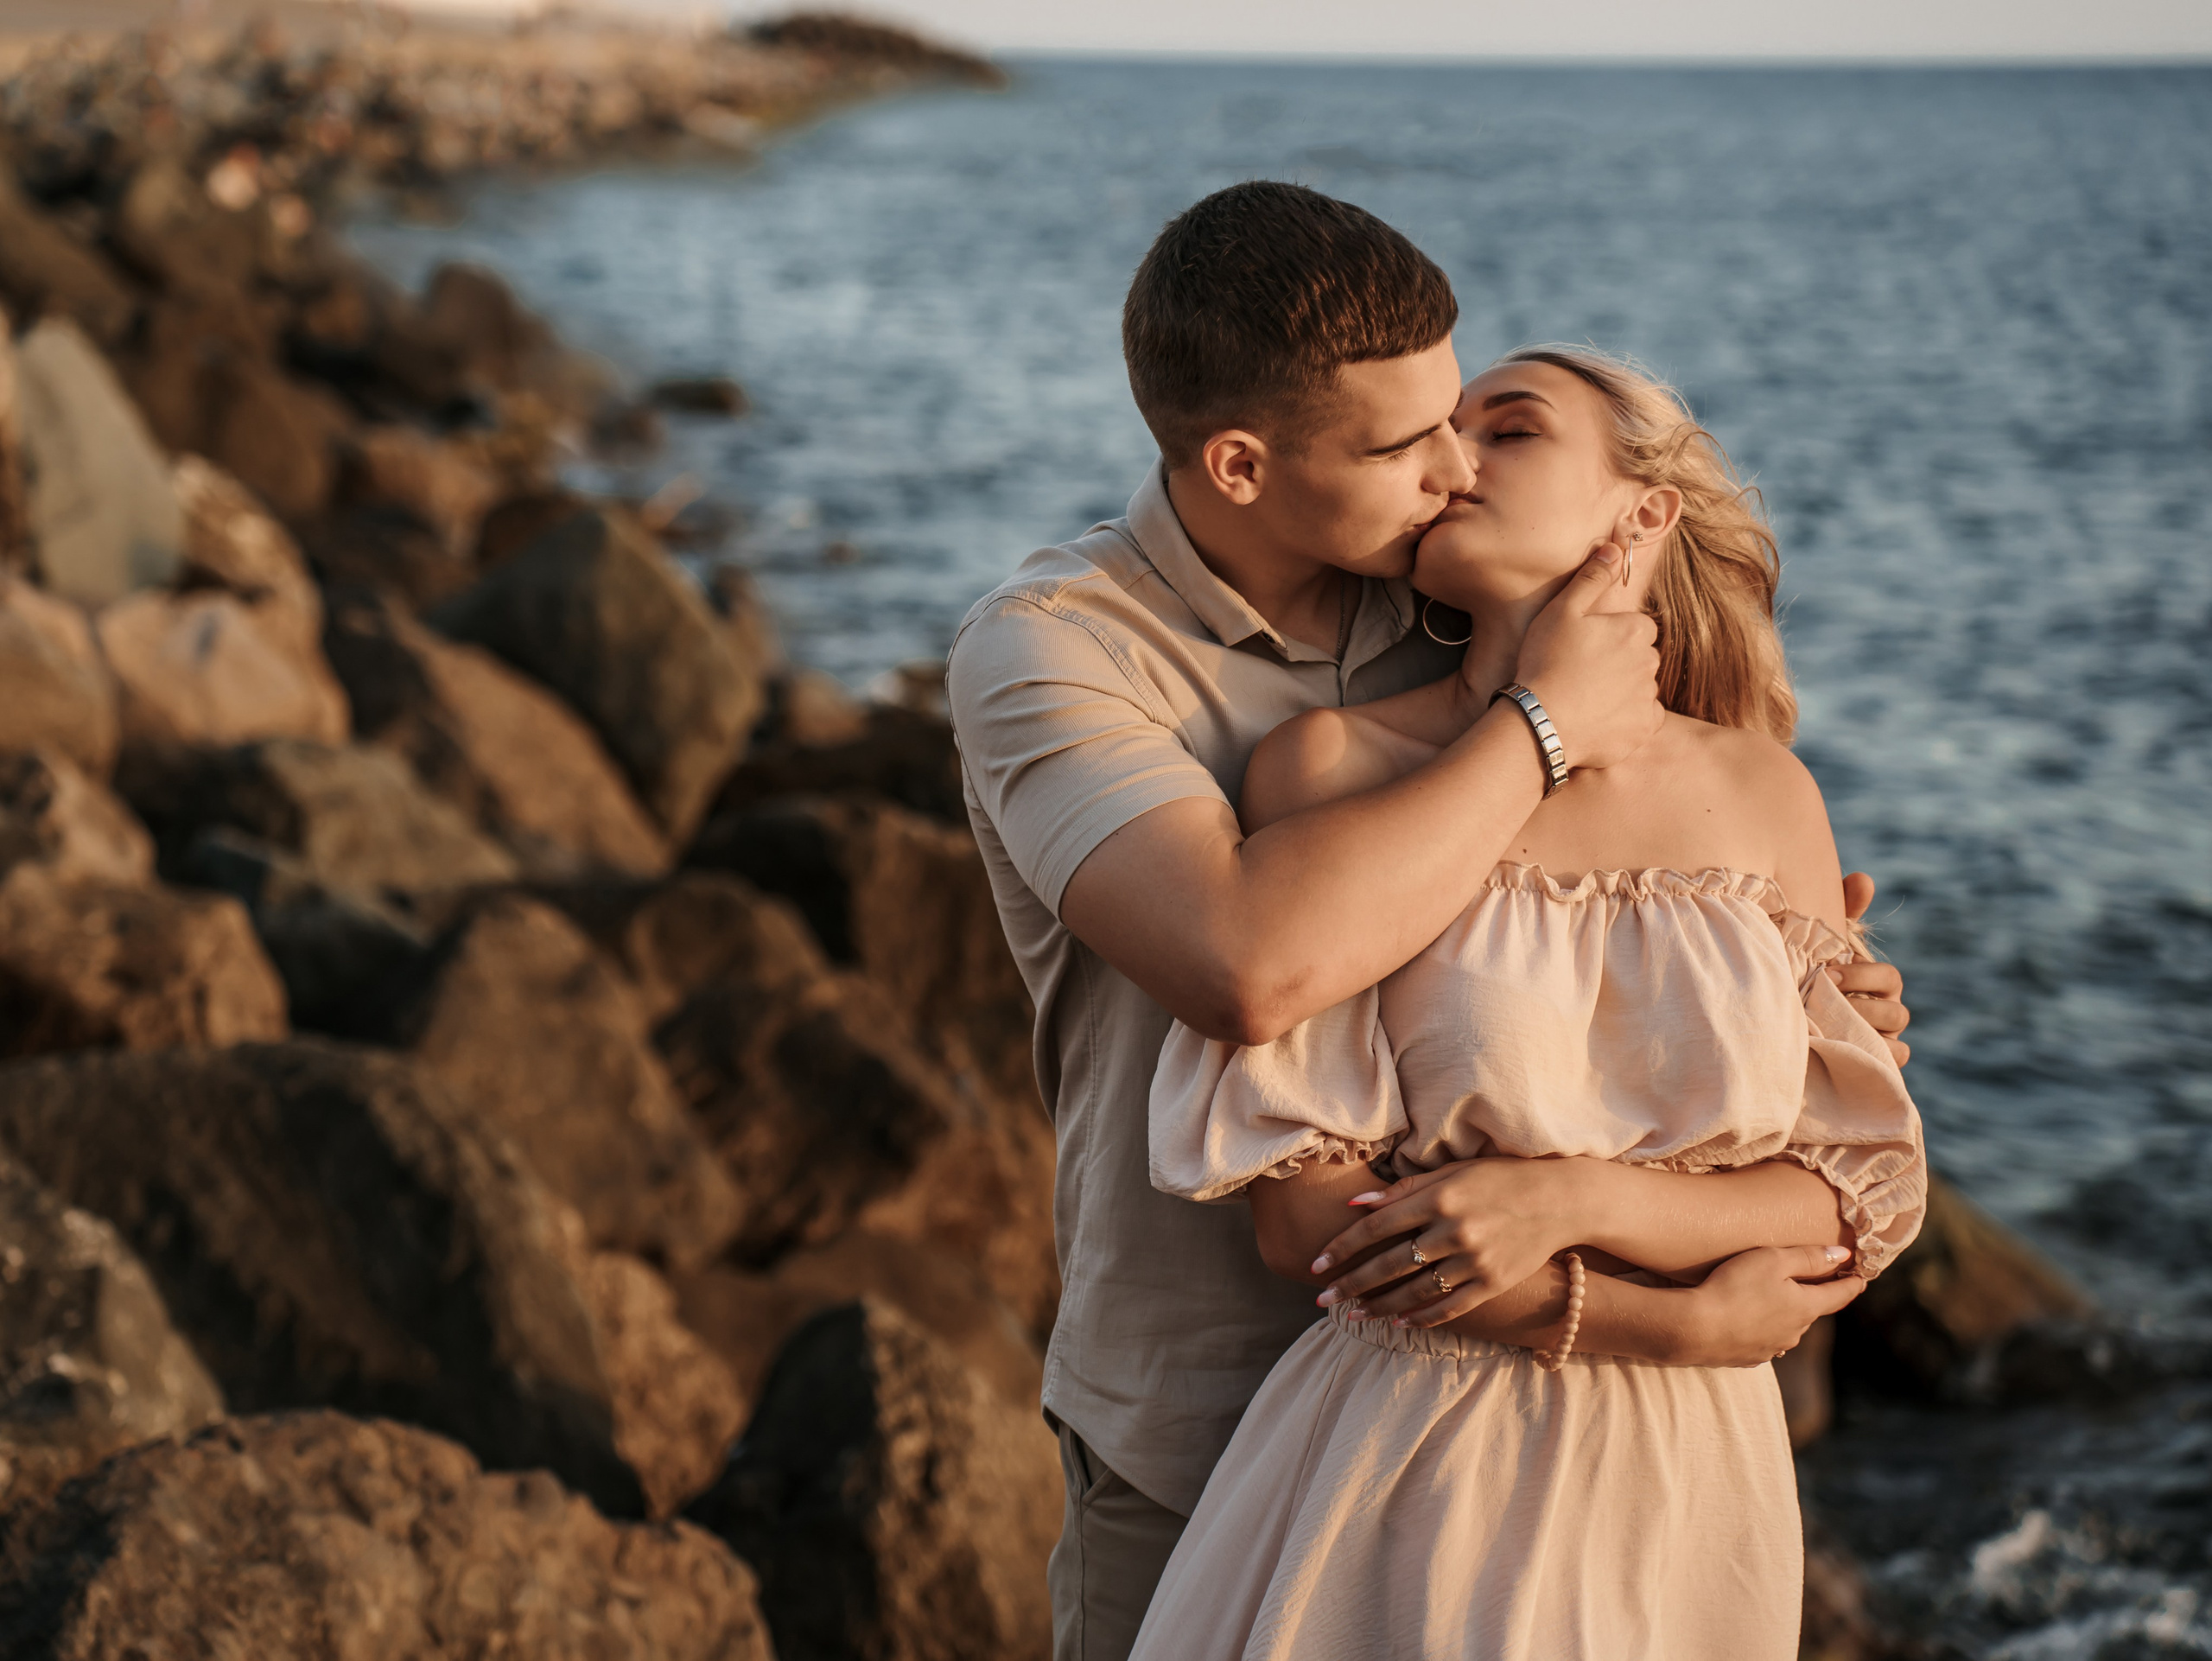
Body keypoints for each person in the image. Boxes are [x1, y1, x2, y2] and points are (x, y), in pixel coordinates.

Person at [946, 182, 1913, 1661]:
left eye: (1474, 419)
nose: (1452, 467)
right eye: (1410, 442)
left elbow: (1819, 1144)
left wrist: (1797, 1014)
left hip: (1631, 1466)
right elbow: (1249, 966)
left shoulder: (1446, 604)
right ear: (1243, 464)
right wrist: (1537, 726)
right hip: (1203, 1421)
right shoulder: (1059, 652)